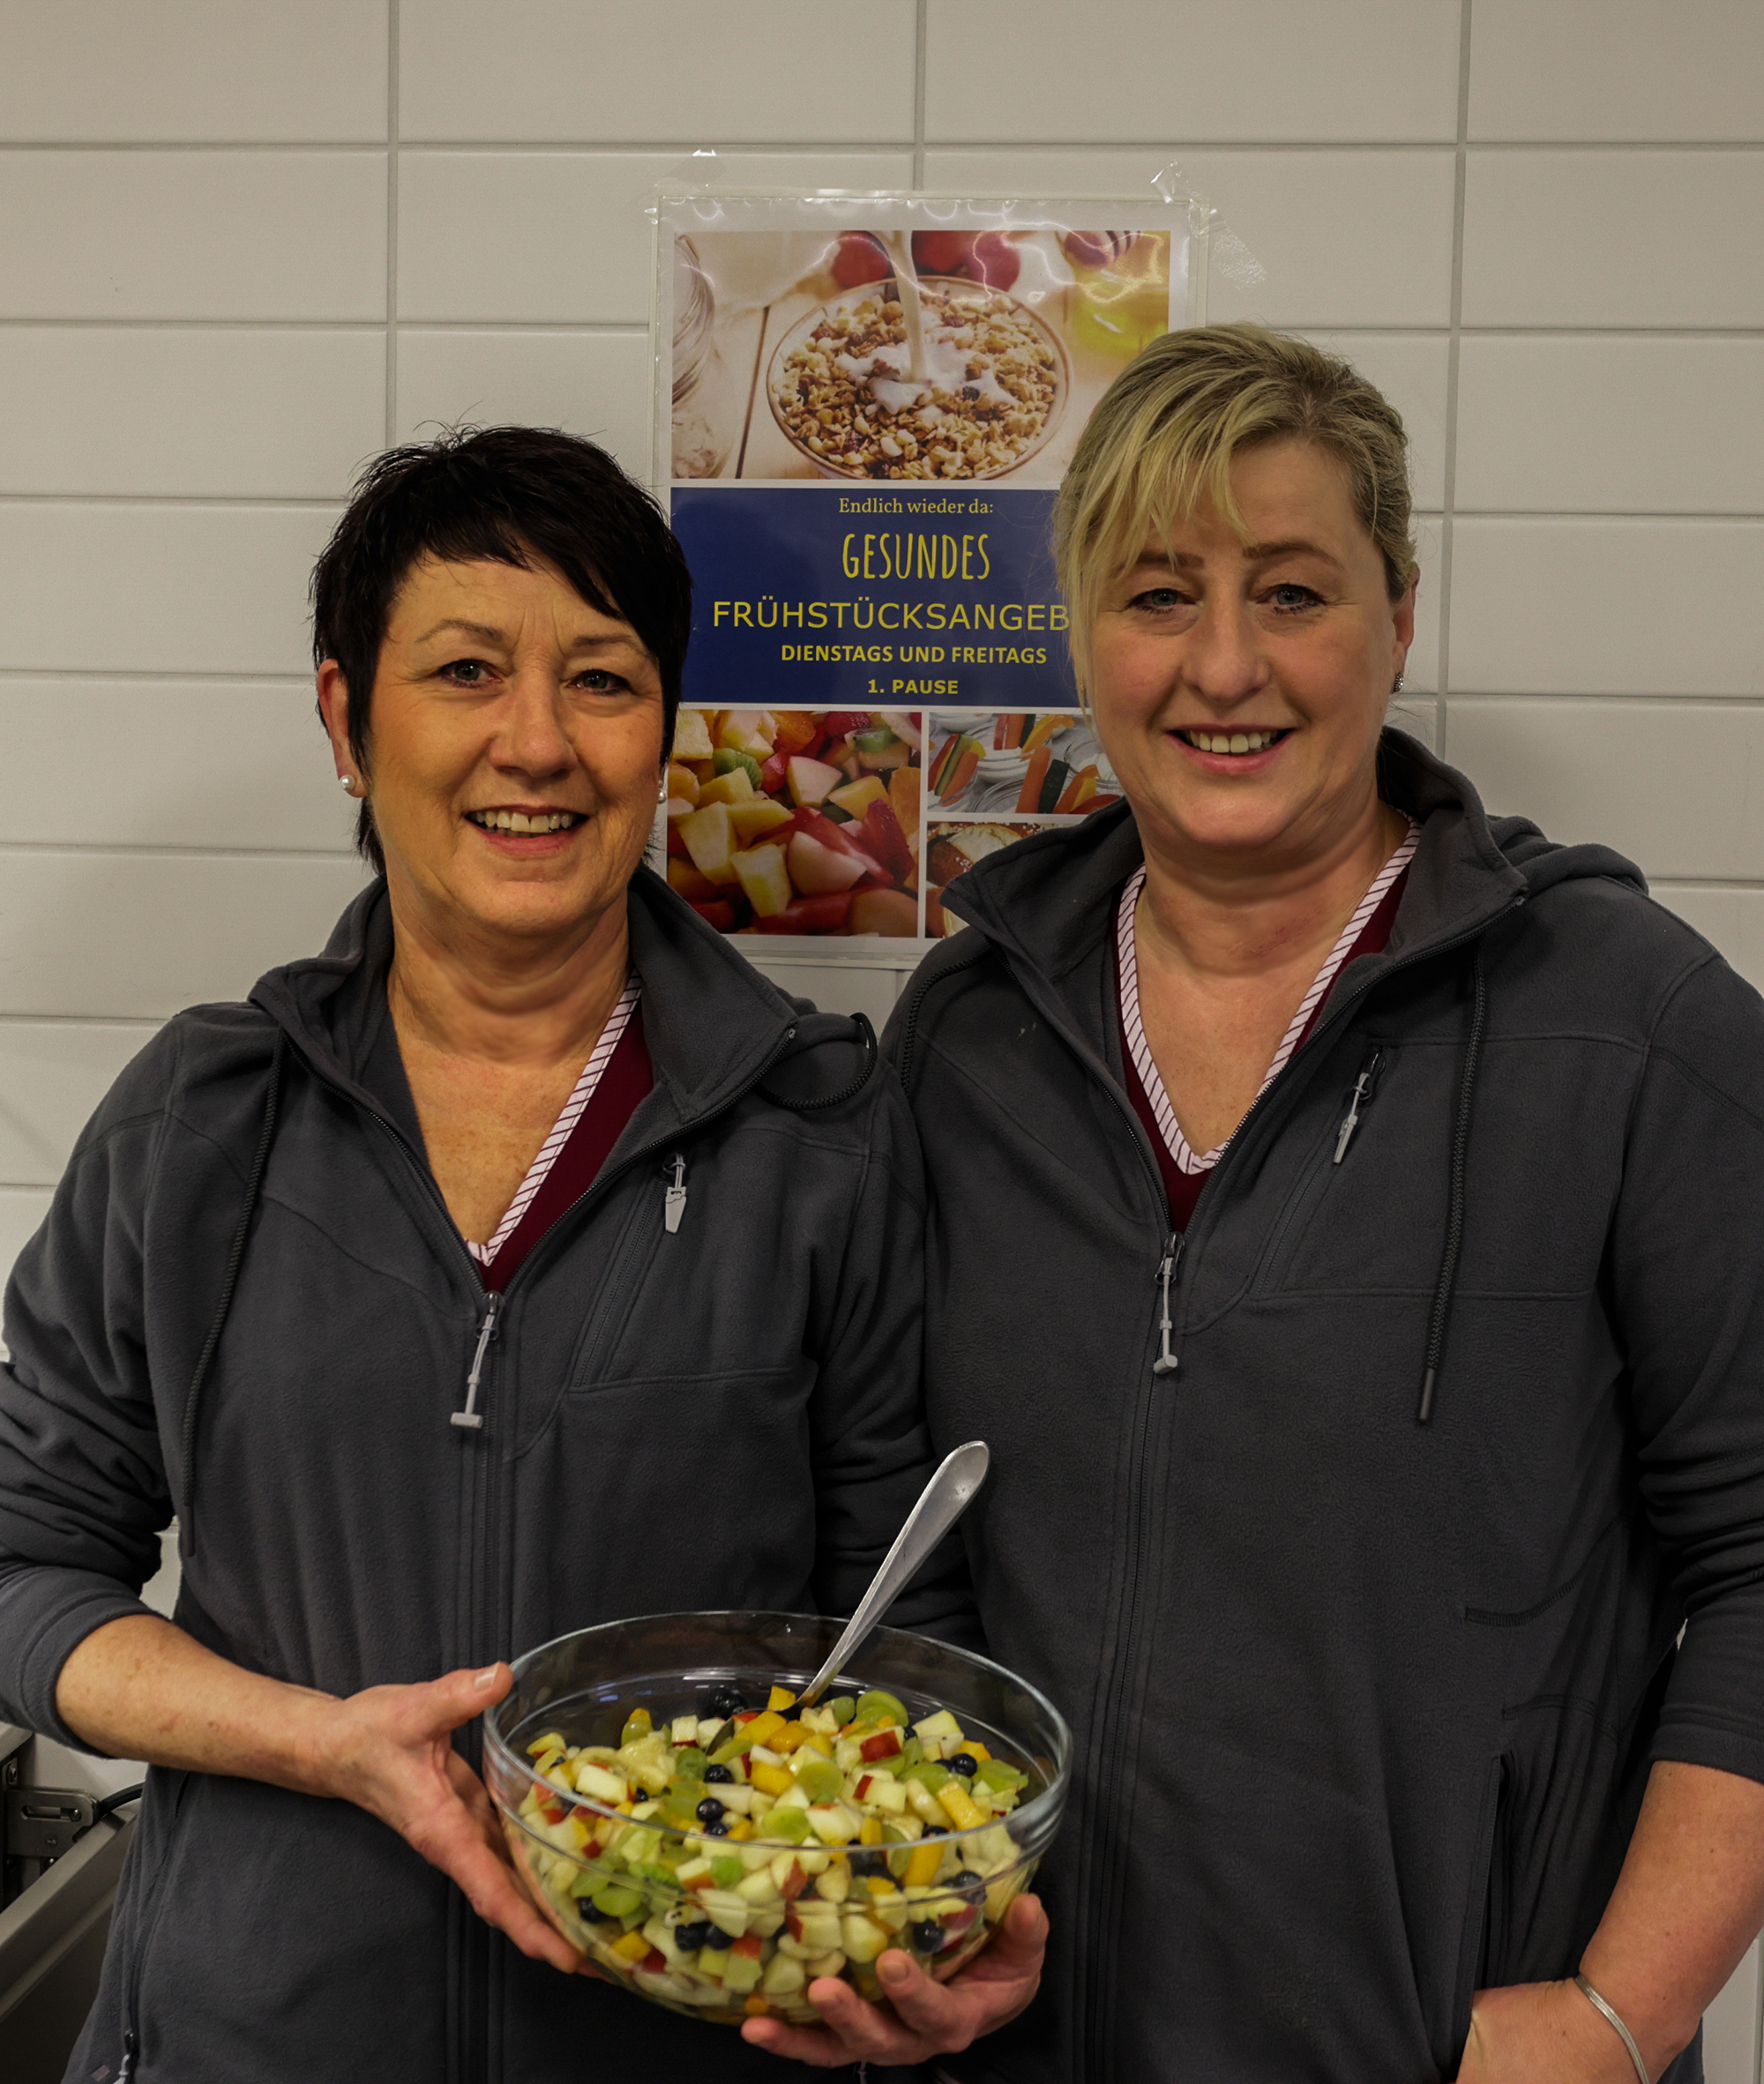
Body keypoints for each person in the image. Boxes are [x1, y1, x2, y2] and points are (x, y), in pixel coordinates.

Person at [0, 427, 1041, 2081]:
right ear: (349, 720)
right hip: (244, 2039)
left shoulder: (820, 1136)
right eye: (467, 670)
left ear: (664, 728)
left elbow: (911, 1640)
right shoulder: (201, 1125)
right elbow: (22, 1566)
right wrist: (321, 1744)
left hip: (679, 2040)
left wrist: (930, 1905)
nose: (537, 744)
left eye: (604, 681)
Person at [887, 324, 1764, 2083]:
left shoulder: (1629, 1025)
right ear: (1078, 631)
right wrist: (922, 1911)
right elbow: (922, 1567)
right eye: (1156, 596)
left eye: (1291, 592)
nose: (1225, 666)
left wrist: (1618, 2015)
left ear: (1399, 617)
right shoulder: (963, 1037)